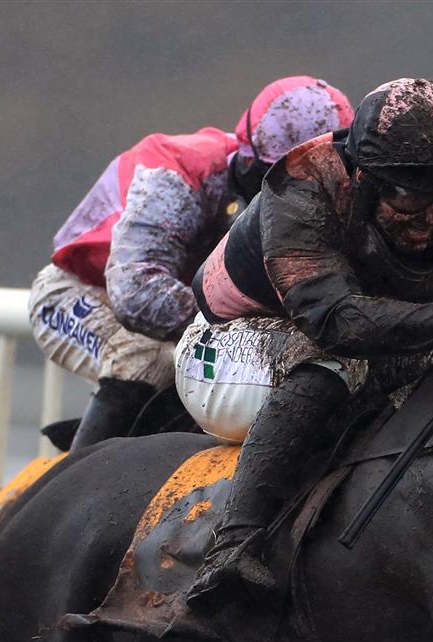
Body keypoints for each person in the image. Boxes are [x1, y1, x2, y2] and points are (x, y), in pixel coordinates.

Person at [176, 78, 433, 609]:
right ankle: (232, 547)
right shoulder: (299, 192)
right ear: (366, 180)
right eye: (413, 204)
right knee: (341, 366)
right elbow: (341, 323)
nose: (432, 222)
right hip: (225, 348)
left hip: (332, 339)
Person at [30, 76, 354, 449]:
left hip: (182, 306)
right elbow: (136, 292)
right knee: (147, 359)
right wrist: (241, 332)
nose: (290, 199)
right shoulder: (176, 170)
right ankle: (77, 485)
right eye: (277, 180)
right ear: (249, 159)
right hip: (80, 291)